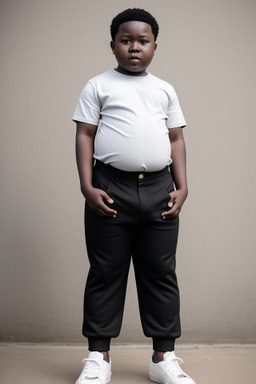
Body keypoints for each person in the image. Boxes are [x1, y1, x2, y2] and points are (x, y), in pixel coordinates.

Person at [73, 8, 196, 384]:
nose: (134, 47)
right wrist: (87, 186)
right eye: (125, 40)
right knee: (105, 272)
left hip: (159, 189)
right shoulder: (98, 86)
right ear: (113, 45)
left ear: (155, 47)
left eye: (143, 41)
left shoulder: (164, 89)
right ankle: (98, 357)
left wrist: (183, 186)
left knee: (160, 273)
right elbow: (85, 135)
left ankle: (163, 357)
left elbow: (175, 138)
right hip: (110, 190)